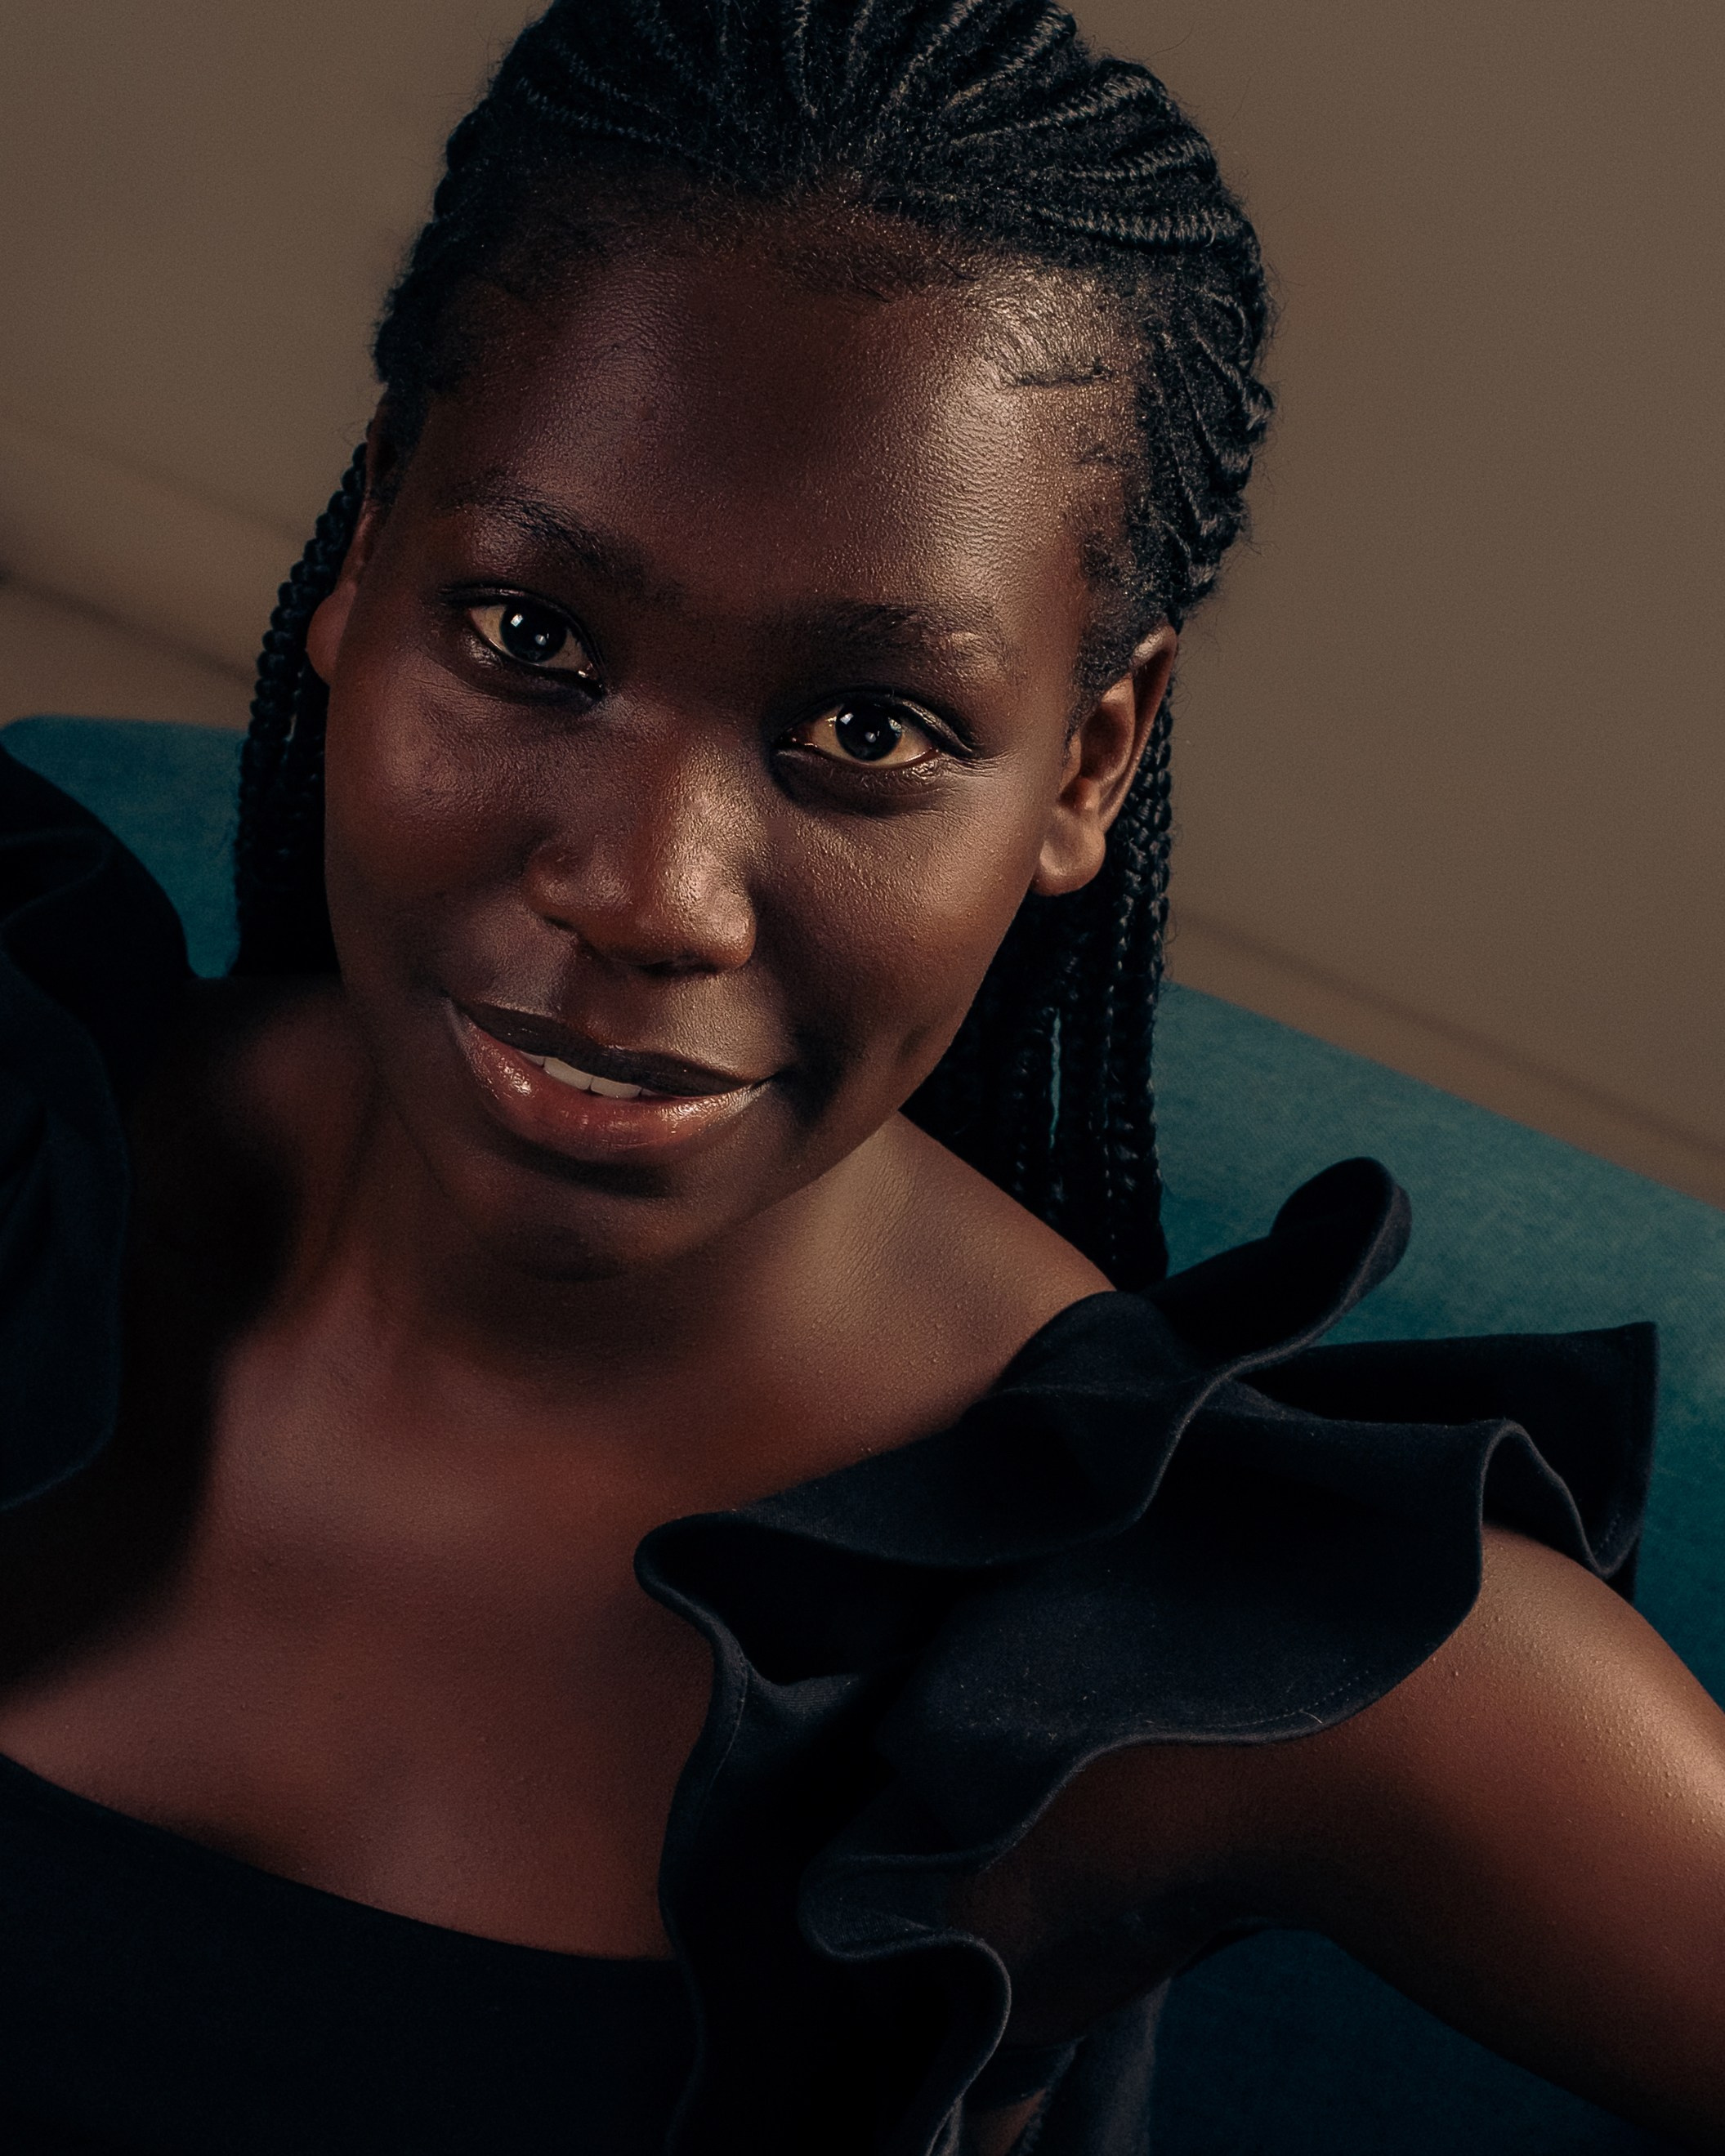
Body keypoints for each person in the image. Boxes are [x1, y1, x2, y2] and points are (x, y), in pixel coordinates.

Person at [0, 2, 1718, 2151]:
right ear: (367, 560)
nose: (650, 891)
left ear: (1091, 756)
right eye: (532, 635)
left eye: (873, 732)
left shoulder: (1177, 1620)